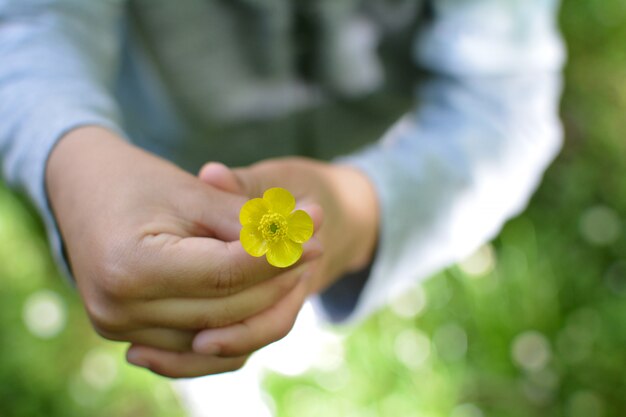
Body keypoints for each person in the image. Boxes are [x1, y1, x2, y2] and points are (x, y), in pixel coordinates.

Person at [0, 0, 564, 378]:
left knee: (267, 298)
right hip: (167, 159)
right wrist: (76, 159)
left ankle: (296, 320)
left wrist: (363, 212)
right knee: (196, 307)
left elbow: (504, 103)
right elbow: (29, 25)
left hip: (368, 150)